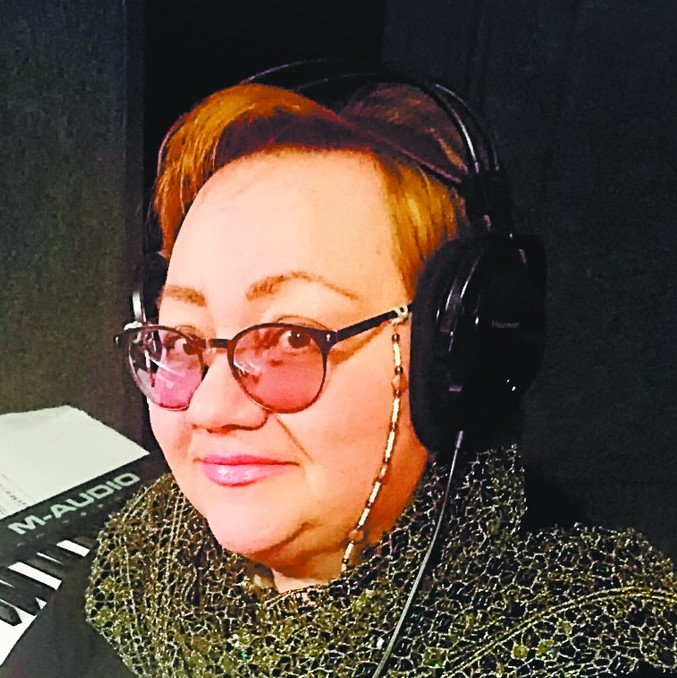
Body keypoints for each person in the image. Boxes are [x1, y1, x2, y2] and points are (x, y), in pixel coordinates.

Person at [3, 65, 675, 678]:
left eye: (292, 337)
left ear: (453, 356)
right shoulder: (146, 560)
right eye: (182, 339)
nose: (209, 409)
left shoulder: (589, 641)